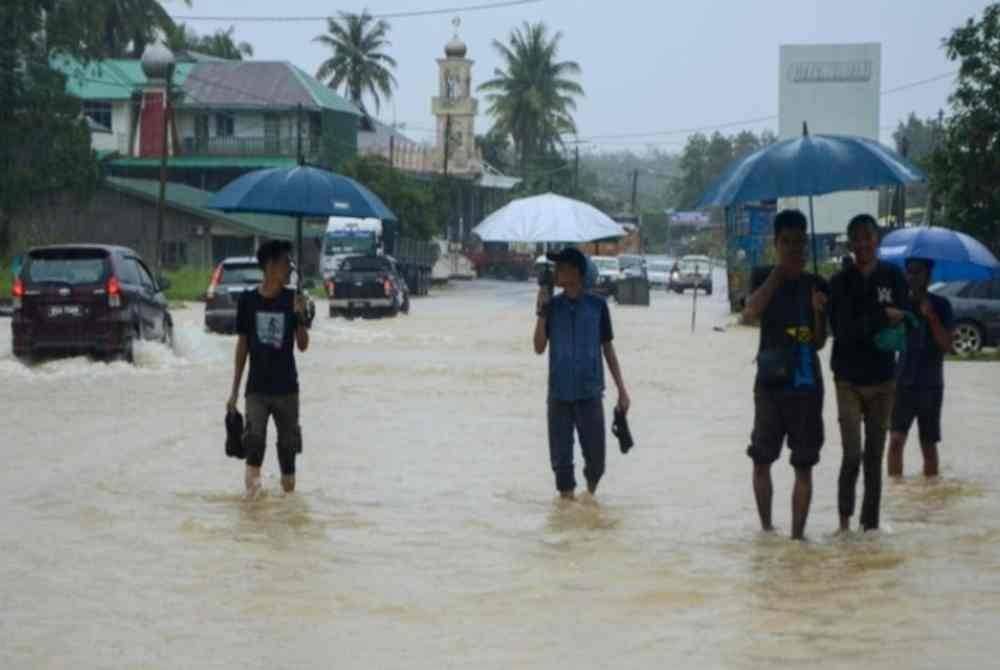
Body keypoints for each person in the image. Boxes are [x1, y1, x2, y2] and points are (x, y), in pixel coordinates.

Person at [742, 209, 828, 540]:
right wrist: (778, 276)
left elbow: (819, 341)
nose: (795, 249)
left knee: (803, 464)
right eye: (787, 242)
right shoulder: (763, 275)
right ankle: (766, 530)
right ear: (776, 244)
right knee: (761, 459)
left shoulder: (816, 283)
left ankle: (797, 538)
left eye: (800, 243)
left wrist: (819, 312)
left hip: (806, 385)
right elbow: (750, 313)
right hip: (769, 384)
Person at [828, 214, 909, 531]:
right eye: (856, 238)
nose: (862, 243)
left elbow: (904, 317)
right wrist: (881, 317)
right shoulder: (839, 282)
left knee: (874, 458)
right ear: (850, 243)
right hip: (847, 378)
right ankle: (844, 523)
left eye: (868, 237)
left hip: (884, 378)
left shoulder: (894, 276)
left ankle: (869, 526)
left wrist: (899, 318)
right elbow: (843, 331)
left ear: (877, 240)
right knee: (852, 454)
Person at [534, 247, 630, 500]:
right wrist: (541, 312)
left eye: (561, 267)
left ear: (576, 271)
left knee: (597, 464)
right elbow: (538, 347)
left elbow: (608, 349)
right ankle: (567, 514)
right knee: (562, 468)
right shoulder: (552, 307)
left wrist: (622, 389)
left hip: (590, 394)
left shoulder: (598, 307)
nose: (555, 273)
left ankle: (588, 499)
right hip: (559, 396)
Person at [226, 240, 310, 496]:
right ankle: (253, 512)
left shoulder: (293, 299)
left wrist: (300, 317)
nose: (289, 269)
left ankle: (287, 511)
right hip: (257, 390)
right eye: (286, 263)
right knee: (254, 445)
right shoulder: (248, 301)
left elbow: (303, 345)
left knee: (288, 452)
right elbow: (242, 347)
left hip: (287, 389)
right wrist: (234, 392)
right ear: (271, 266)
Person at [888, 258, 954, 478]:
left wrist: (932, 317)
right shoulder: (901, 305)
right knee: (896, 442)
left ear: (928, 275)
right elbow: (886, 341)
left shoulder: (942, 305)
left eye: (917, 272)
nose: (912, 277)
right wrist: (894, 321)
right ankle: (898, 496)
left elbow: (947, 345)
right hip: (902, 383)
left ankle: (931, 500)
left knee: (928, 446)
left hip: (930, 386)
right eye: (909, 272)